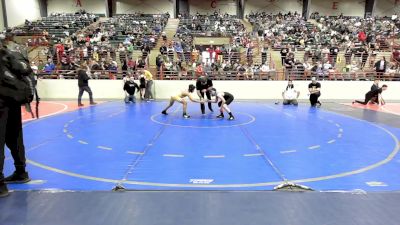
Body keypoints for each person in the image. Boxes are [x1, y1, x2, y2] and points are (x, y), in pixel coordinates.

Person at [0, 32, 34, 197]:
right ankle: (21, 172)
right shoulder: (9, 55)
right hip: (13, 100)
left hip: (0, 102)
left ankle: (0, 185)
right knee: (15, 137)